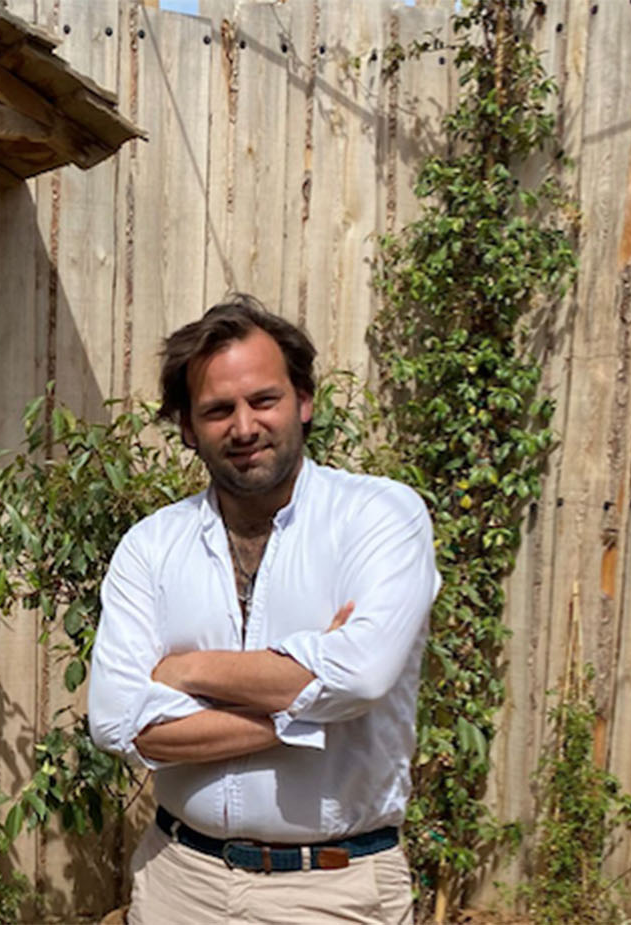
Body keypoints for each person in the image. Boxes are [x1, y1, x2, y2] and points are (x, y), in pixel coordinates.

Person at [87, 294, 439, 925]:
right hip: (178, 883)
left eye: (264, 400)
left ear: (303, 400)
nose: (244, 427)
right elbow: (119, 723)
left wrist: (186, 672)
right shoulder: (151, 547)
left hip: (335, 891)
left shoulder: (380, 518)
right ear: (189, 429)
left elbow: (359, 676)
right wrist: (312, 709)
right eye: (218, 410)